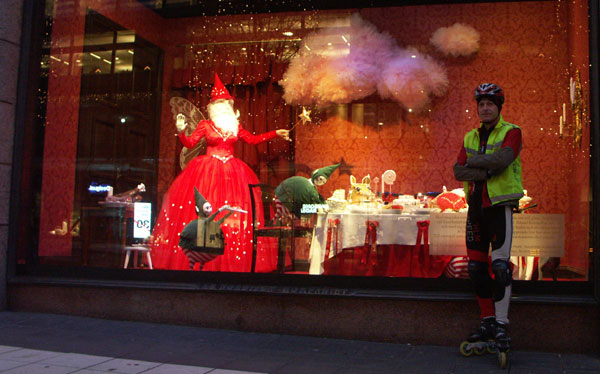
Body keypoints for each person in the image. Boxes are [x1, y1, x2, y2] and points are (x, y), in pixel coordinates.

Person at [150, 73, 290, 272]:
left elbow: (253, 139)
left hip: (233, 172)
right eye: (220, 103)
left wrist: (275, 133)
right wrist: (181, 131)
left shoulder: (235, 126)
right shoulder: (205, 125)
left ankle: (231, 258)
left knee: (231, 215)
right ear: (213, 107)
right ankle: (202, 256)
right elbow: (190, 143)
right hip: (207, 170)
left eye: (226, 103)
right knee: (205, 210)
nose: (224, 106)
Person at [453, 83, 523, 360]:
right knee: (475, 268)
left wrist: (475, 166)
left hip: (499, 207)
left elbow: (504, 159)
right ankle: (487, 320)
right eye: (481, 104)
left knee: (501, 267)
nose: (485, 108)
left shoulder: (512, 132)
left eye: (490, 104)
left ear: (499, 107)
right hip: (476, 210)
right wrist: (484, 169)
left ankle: (502, 324)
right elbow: (459, 171)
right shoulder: (470, 136)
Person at [274, 163, 340, 221]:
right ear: (315, 175)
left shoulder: (311, 187)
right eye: (320, 179)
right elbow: (306, 206)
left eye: (323, 182)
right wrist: (319, 207)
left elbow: (317, 199)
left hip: (288, 200)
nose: (321, 182)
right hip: (284, 198)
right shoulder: (308, 187)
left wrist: (323, 205)